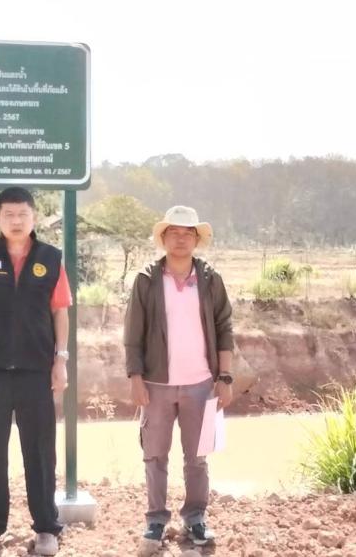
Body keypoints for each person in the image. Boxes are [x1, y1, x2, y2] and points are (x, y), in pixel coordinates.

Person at [0, 187, 72, 556]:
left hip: (36, 371)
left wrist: (61, 360)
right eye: (8, 214)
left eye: (23, 214)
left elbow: (60, 311)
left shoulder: (50, 258)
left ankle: (46, 528)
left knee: (40, 452)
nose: (16, 220)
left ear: (34, 217)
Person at [123, 205, 235, 548]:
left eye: (188, 233)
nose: (181, 239)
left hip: (201, 384)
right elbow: (133, 334)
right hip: (155, 385)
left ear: (197, 239)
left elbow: (224, 327)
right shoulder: (146, 280)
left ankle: (196, 518)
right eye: (174, 232)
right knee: (154, 455)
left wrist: (225, 377)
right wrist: (135, 377)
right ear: (163, 238)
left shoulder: (211, 279)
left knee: (197, 458)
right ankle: (156, 520)